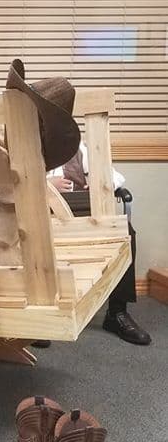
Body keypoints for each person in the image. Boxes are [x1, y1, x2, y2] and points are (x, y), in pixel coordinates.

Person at [48, 143, 151, 346]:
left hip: (85, 217)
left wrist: (100, 181)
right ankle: (40, 323)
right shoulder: (26, 147)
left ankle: (117, 313)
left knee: (126, 233)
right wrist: (46, 184)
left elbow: (116, 177)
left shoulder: (80, 149)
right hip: (46, 218)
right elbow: (9, 184)